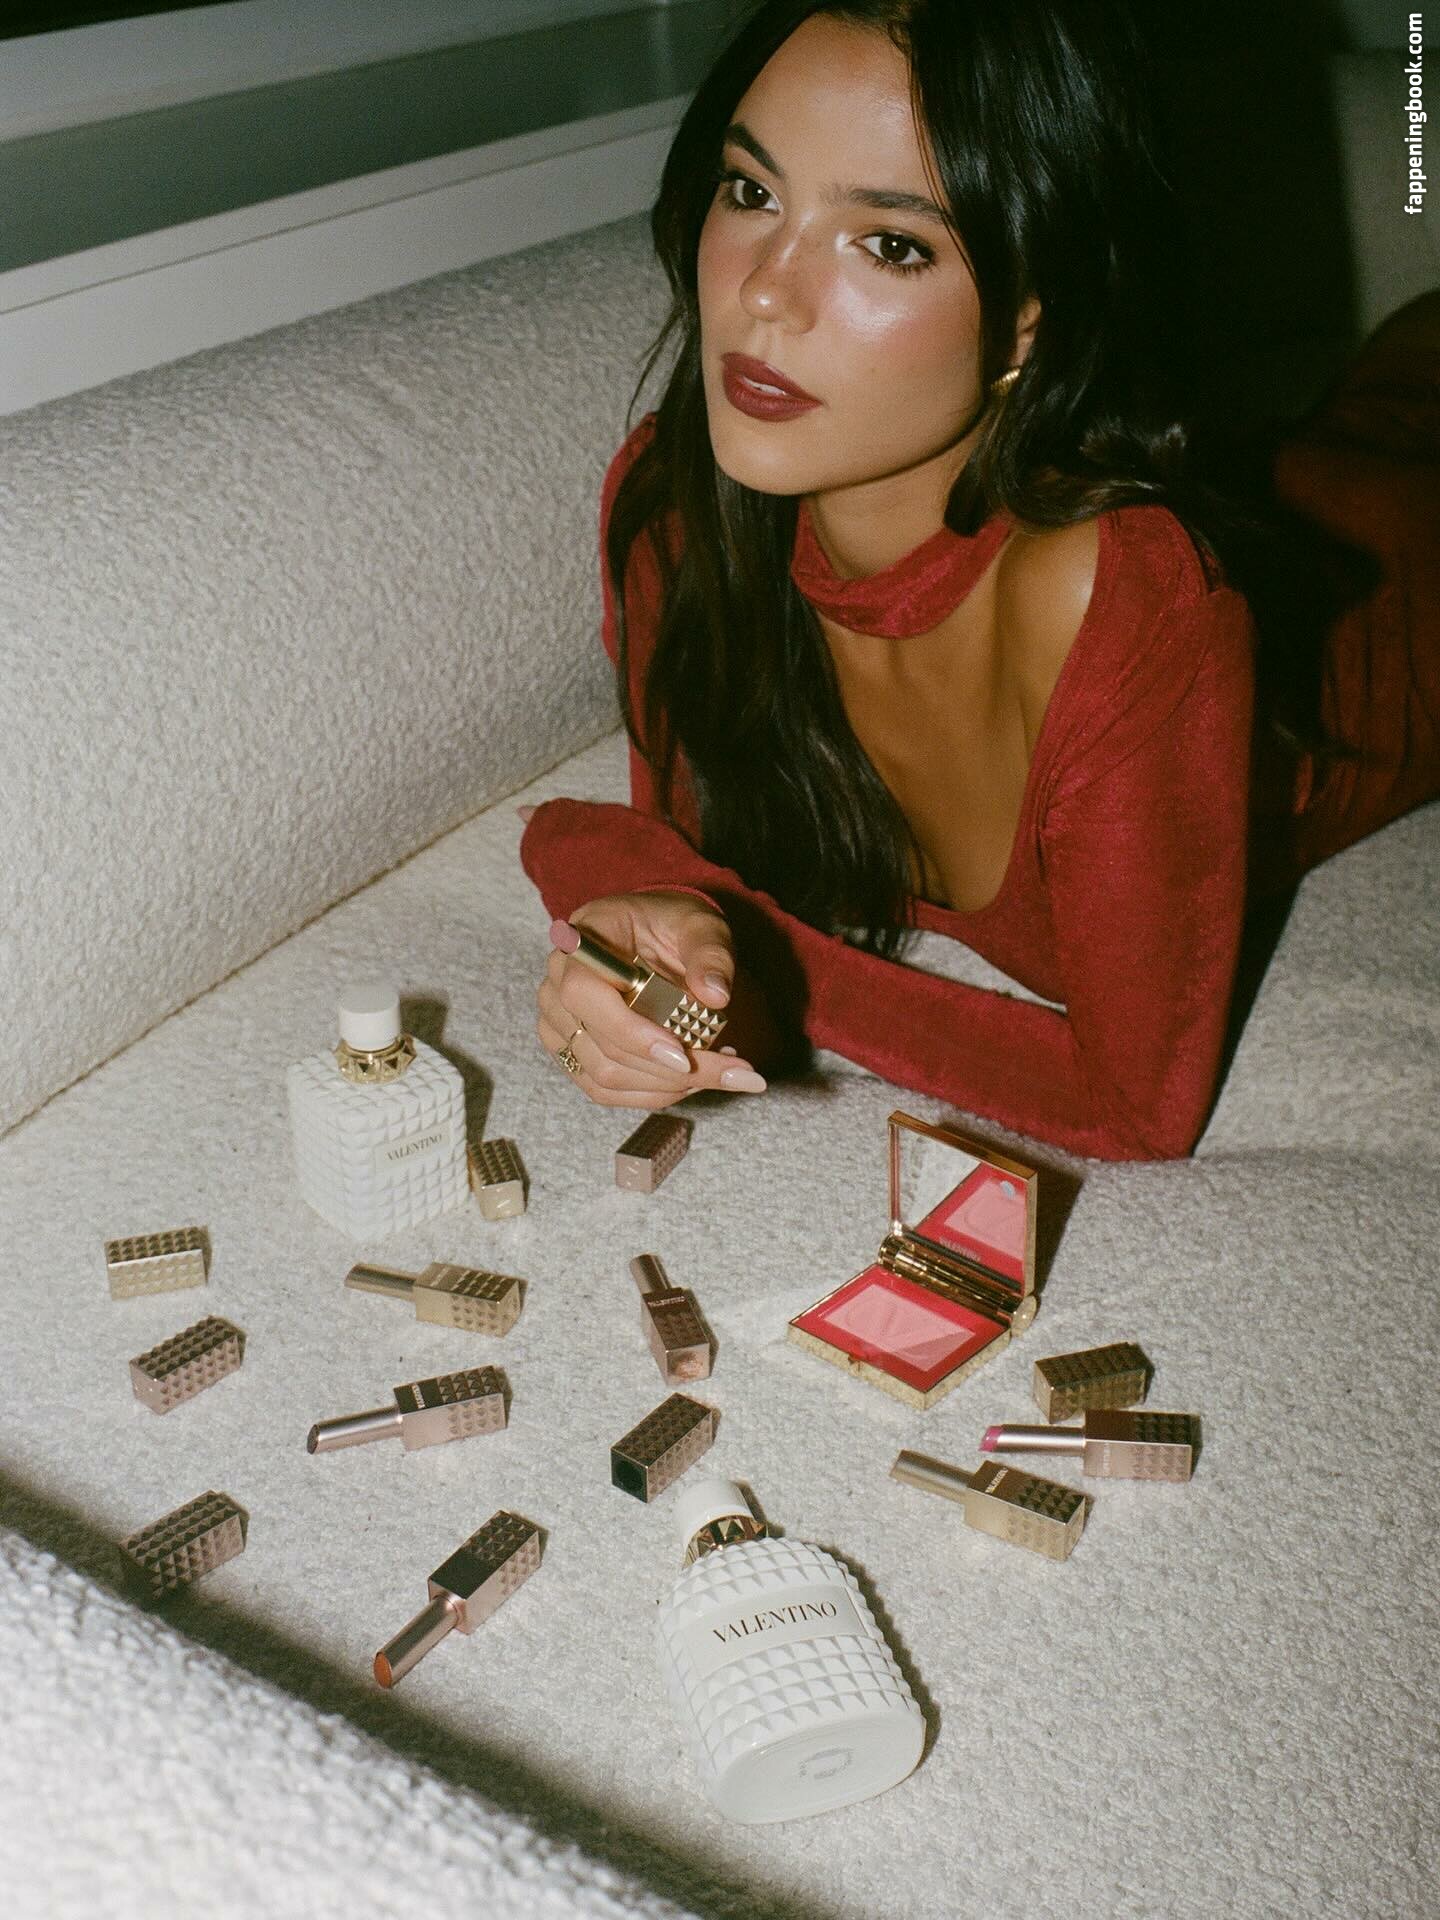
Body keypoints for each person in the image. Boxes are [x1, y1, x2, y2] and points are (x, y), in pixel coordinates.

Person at [521, 0, 1439, 1160]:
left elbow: (1133, 1106)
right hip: (1292, 464)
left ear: (1025, 325)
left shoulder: (1119, 600)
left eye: (890, 244)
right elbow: (665, 881)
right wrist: (650, 938)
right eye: (751, 192)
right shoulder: (679, 513)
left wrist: (717, 928)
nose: (764, 292)